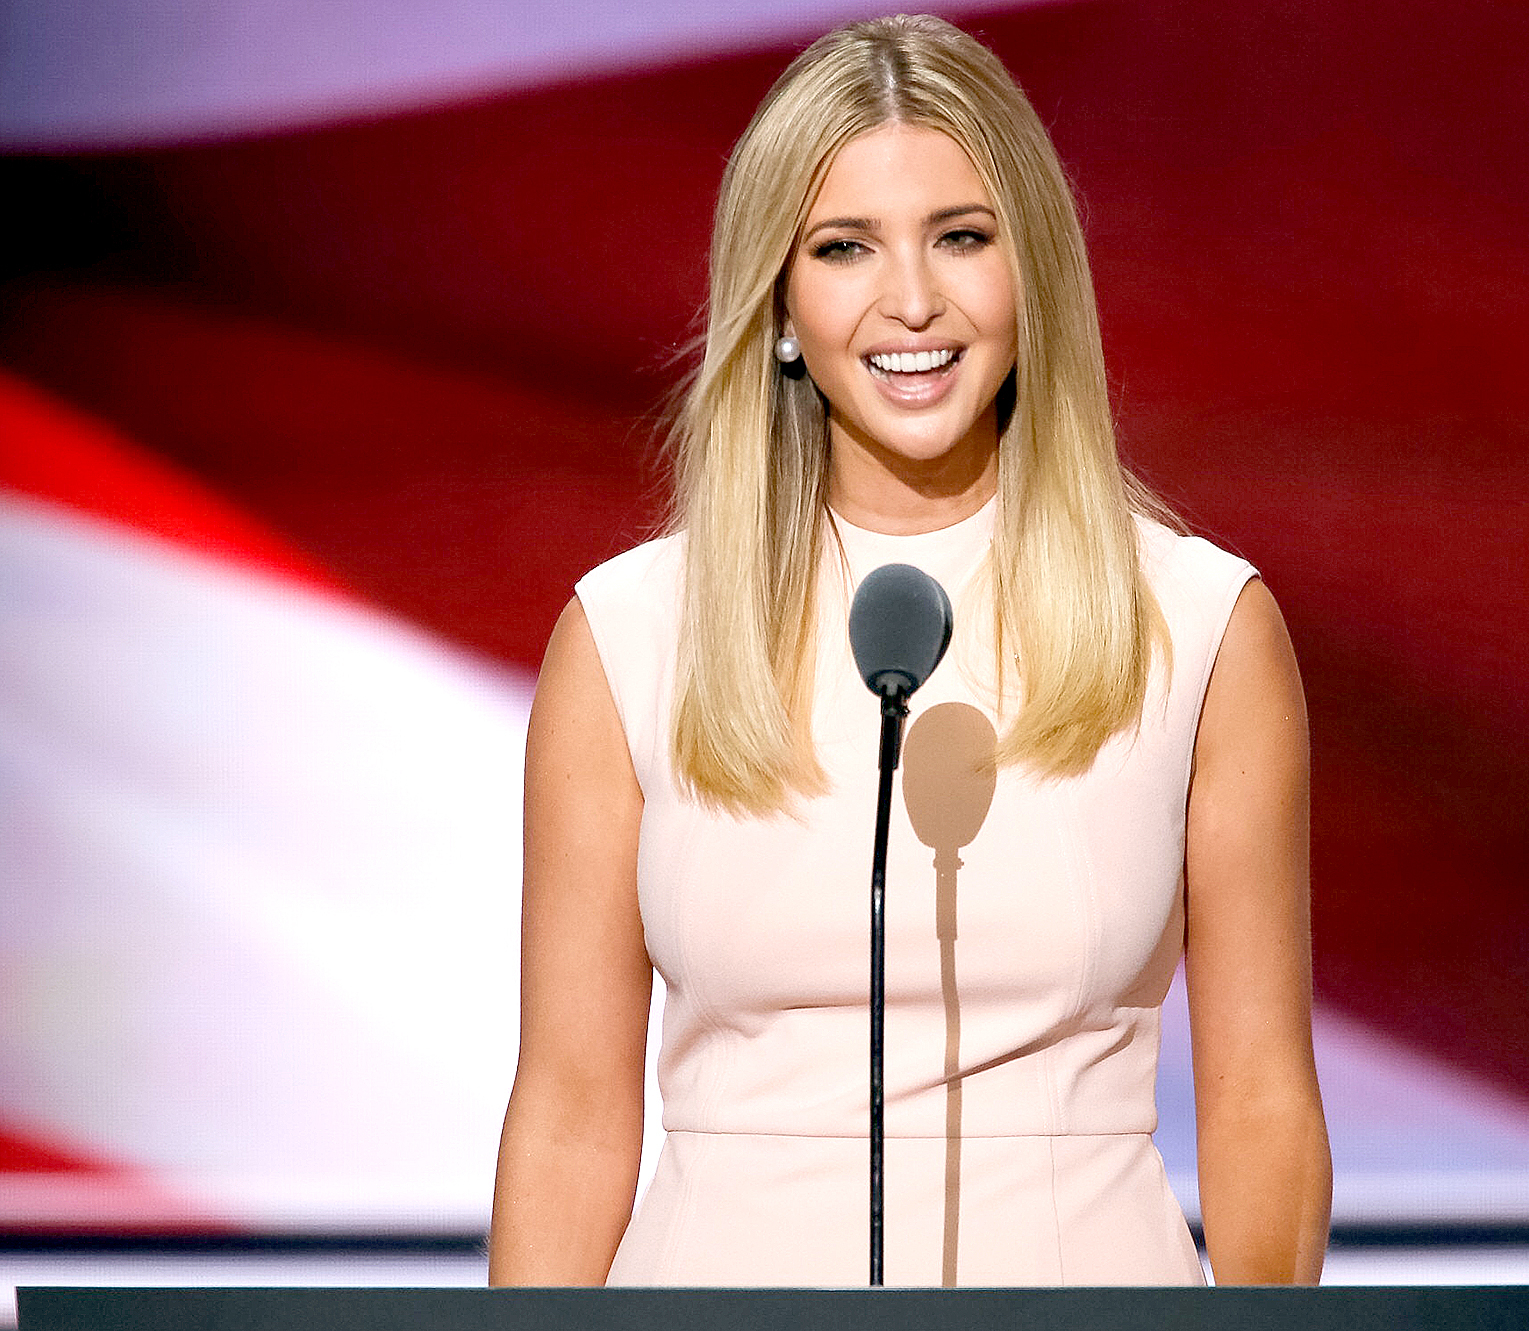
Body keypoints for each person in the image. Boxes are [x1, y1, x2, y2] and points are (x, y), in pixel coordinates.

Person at [488, 14, 1329, 1288]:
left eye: (962, 236)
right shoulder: (629, 637)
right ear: (779, 300)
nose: (913, 300)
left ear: (1029, 269)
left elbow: (1261, 1096)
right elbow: (567, 1113)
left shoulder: (1200, 629)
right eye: (844, 248)